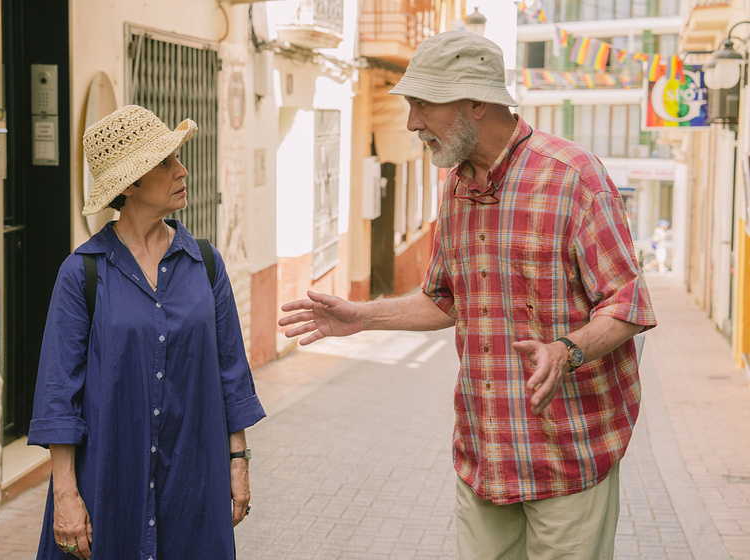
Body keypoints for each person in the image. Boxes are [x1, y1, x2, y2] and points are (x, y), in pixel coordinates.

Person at [279, 31, 656, 560]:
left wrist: (565, 352)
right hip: (485, 453)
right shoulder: (455, 188)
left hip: (569, 451)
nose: (411, 123)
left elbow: (627, 305)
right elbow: (446, 299)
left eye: (422, 105)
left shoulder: (574, 177)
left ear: (476, 102)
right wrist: (362, 316)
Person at [28, 105, 265, 559]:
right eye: (165, 162)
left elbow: (231, 373)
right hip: (109, 482)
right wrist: (66, 496)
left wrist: (239, 464)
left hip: (193, 483)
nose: (183, 170)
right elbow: (59, 394)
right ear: (130, 184)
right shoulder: (83, 274)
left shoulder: (207, 264)